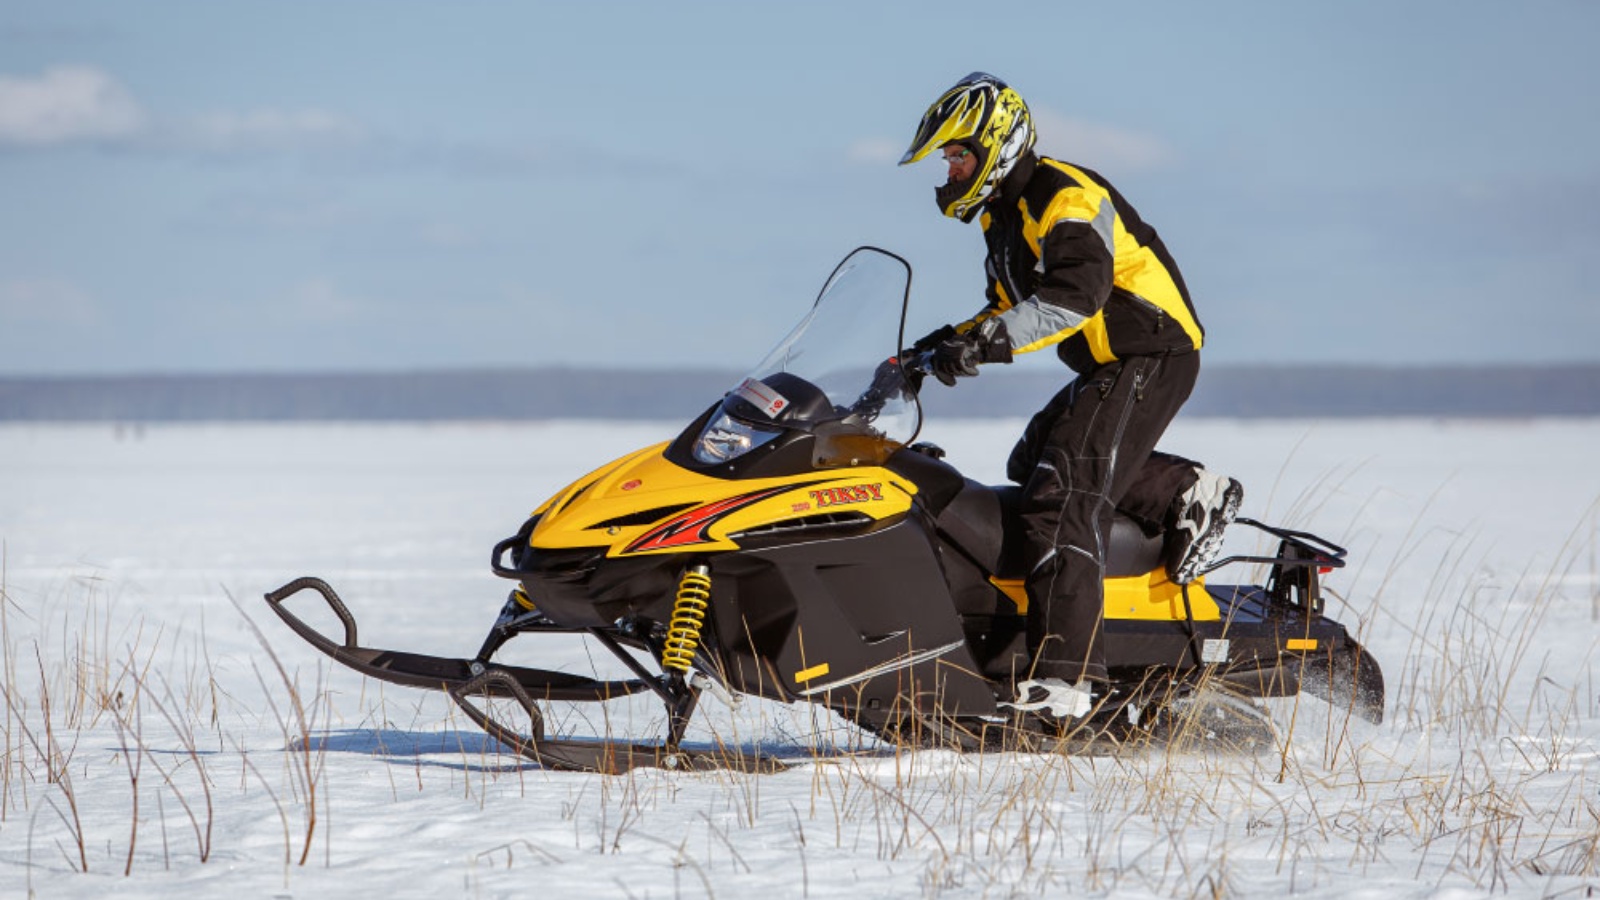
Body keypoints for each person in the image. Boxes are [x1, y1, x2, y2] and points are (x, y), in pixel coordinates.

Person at [898, 72, 1242, 719]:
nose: (949, 169)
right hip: (1114, 361)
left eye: (958, 154)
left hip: (1151, 350)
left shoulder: (1063, 195)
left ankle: (1069, 678)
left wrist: (985, 345)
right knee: (1033, 464)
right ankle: (1181, 489)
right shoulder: (1004, 220)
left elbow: (1071, 300)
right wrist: (932, 349)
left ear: (996, 144)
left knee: (1062, 499)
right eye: (946, 159)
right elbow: (1006, 308)